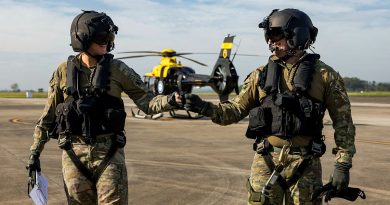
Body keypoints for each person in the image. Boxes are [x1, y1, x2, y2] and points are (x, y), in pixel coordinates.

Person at [183, 8, 355, 205]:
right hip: (266, 161)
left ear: (296, 36)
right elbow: (233, 111)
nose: (270, 41)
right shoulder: (260, 75)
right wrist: (204, 107)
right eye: (268, 35)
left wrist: (343, 164)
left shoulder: (326, 76)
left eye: (275, 34)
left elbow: (344, 123)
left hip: (306, 164)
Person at [26, 10, 180, 205]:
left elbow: (147, 102)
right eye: (102, 36)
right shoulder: (63, 72)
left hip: (108, 154)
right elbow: (47, 118)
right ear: (82, 38)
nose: (107, 41)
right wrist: (34, 153)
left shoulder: (118, 69)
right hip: (73, 154)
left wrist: (172, 100)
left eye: (110, 36)